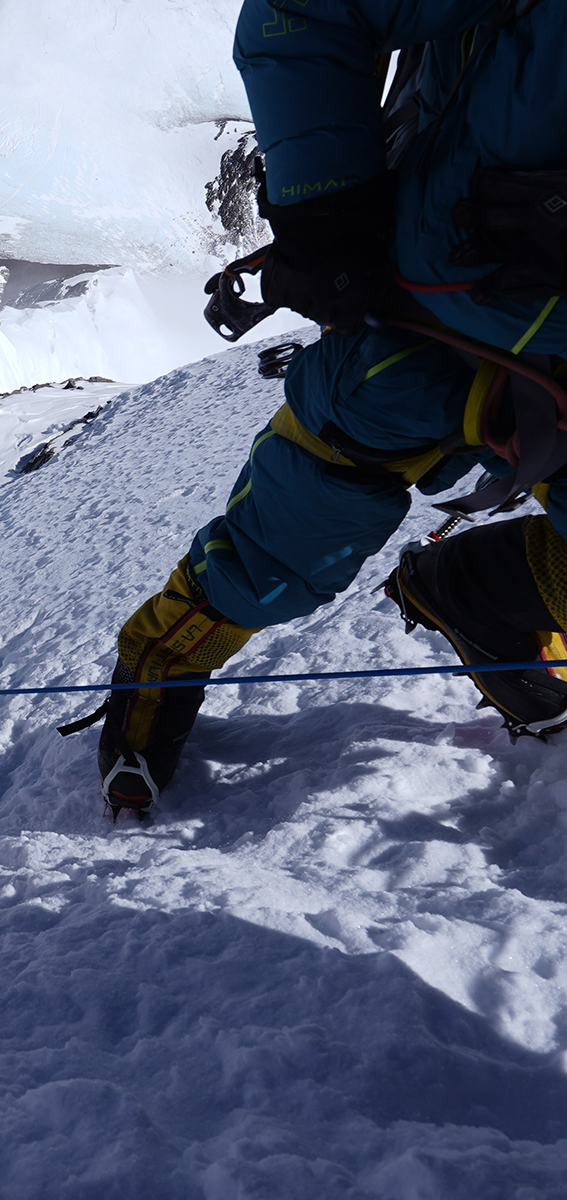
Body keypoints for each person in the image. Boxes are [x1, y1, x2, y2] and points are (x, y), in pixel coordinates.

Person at [96, 0, 567, 817]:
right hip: (441, 297)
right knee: (308, 510)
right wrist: (329, 219)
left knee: (320, 491)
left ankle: (479, 590)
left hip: (481, 292)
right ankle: (166, 655)